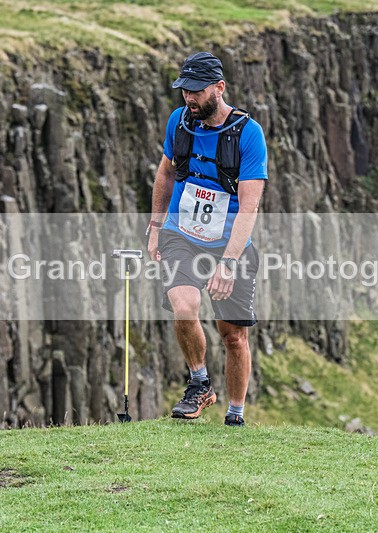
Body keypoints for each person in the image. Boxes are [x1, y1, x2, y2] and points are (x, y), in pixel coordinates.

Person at [147, 52, 267, 427]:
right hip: (180, 235)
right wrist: (155, 226)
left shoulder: (248, 134)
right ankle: (199, 383)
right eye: (185, 90)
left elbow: (249, 206)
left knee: (233, 337)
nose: (189, 98)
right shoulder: (179, 122)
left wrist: (228, 262)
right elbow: (166, 173)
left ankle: (235, 416)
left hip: (230, 243)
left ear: (219, 88)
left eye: (197, 91)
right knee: (184, 305)